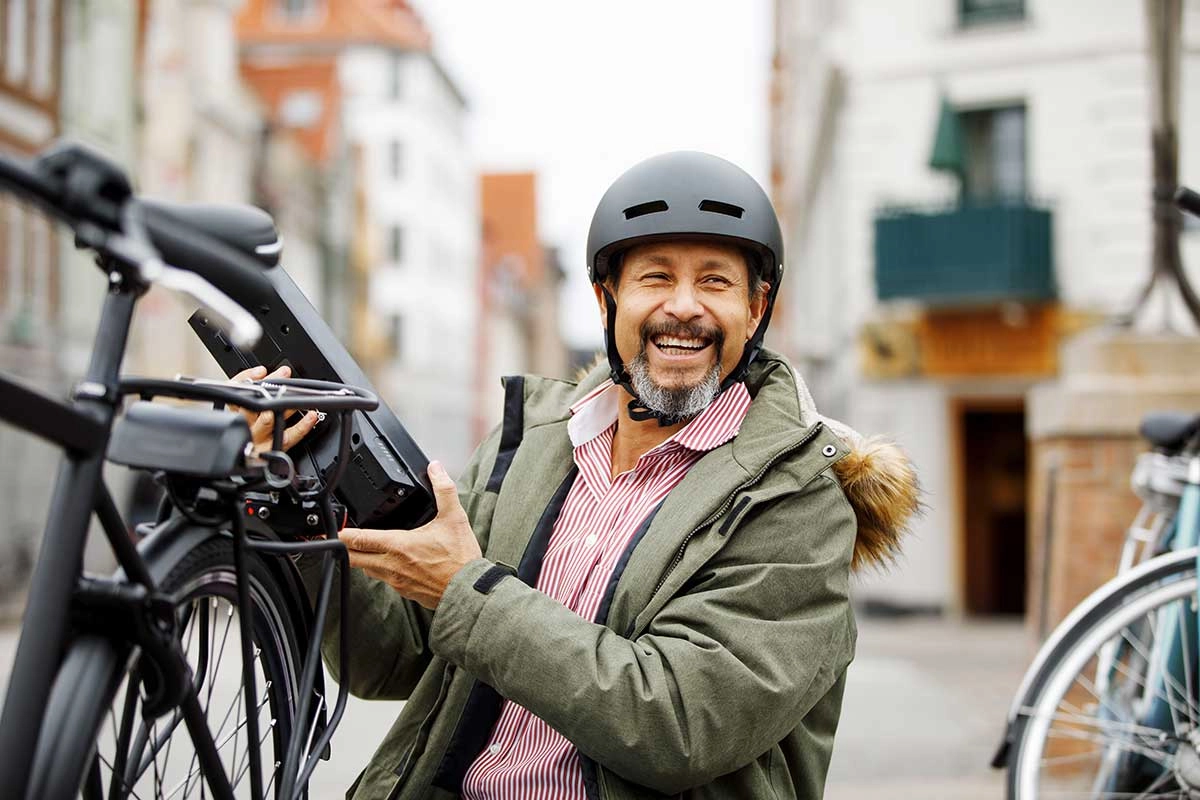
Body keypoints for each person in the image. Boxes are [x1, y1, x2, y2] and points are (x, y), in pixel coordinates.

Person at [245, 151, 919, 799]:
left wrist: (467, 591)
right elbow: (388, 659)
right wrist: (300, 491)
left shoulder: (797, 499)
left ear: (757, 305)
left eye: (714, 281)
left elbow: (680, 725)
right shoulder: (531, 445)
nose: (683, 306)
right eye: (656, 277)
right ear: (607, 298)